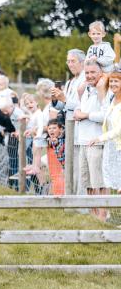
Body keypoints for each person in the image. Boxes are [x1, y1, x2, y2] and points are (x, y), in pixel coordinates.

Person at [74, 59, 109, 221]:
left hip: (97, 142)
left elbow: (106, 116)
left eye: (93, 72)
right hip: (83, 141)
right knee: (87, 182)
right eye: (87, 73)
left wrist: (86, 115)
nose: (89, 76)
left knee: (99, 182)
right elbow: (78, 109)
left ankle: (103, 217)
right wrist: (78, 112)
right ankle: (93, 216)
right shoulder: (86, 90)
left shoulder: (106, 91)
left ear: (101, 73)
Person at [51, 49, 86, 194]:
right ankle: (71, 198)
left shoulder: (85, 79)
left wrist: (64, 98)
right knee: (70, 166)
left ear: (82, 62)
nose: (70, 64)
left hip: (80, 128)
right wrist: (55, 99)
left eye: (73, 61)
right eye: (68, 61)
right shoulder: (70, 81)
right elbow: (63, 106)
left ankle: (80, 202)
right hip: (70, 128)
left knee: (80, 168)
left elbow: (80, 105)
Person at [89, 69, 121, 193]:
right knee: (113, 181)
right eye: (111, 81)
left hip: (118, 144)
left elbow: (119, 129)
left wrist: (99, 138)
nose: (113, 84)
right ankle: (114, 211)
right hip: (111, 145)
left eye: (117, 81)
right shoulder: (112, 100)